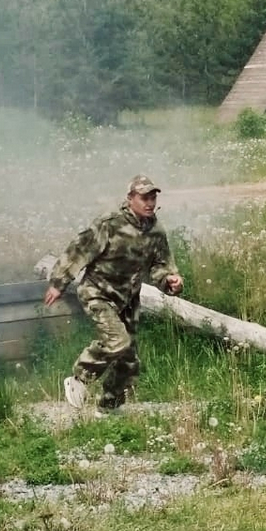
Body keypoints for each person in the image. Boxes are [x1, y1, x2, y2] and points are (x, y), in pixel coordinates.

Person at [43, 174, 184, 413]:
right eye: (144, 198)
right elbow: (79, 249)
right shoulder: (110, 224)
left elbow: (162, 265)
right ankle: (79, 379)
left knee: (129, 362)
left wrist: (171, 282)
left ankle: (108, 409)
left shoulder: (156, 231)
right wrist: (59, 282)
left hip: (127, 300)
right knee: (117, 341)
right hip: (97, 293)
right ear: (130, 198)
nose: (149, 202)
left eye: (153, 197)